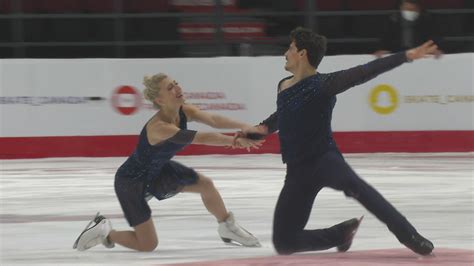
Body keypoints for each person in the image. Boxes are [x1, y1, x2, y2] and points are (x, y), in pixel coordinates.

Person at [238, 27, 438, 256]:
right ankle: (339, 234)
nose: (286, 53)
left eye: (290, 48)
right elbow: (280, 117)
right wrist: (258, 131)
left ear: (302, 54)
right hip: (297, 171)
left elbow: (365, 71)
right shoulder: (284, 85)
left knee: (359, 188)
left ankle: (409, 235)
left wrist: (405, 56)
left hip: (325, 160)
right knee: (284, 242)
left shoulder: (323, 84)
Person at [73, 73, 263, 252]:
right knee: (148, 244)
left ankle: (227, 226)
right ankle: (106, 231)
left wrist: (244, 126)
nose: (177, 88)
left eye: (176, 83)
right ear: (160, 100)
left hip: (158, 172)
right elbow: (200, 137)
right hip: (131, 181)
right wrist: (235, 141)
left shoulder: (184, 111)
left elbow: (213, 119)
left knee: (205, 185)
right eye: (170, 87)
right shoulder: (159, 127)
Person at [374, 0, 442, 58]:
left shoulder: (427, 20)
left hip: (421, 54)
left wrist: (435, 49)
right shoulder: (392, 20)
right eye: (407, 9)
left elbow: (435, 38)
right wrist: (382, 49)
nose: (410, 12)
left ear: (418, 9)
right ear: (401, 8)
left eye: (413, 10)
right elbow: (385, 38)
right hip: (397, 54)